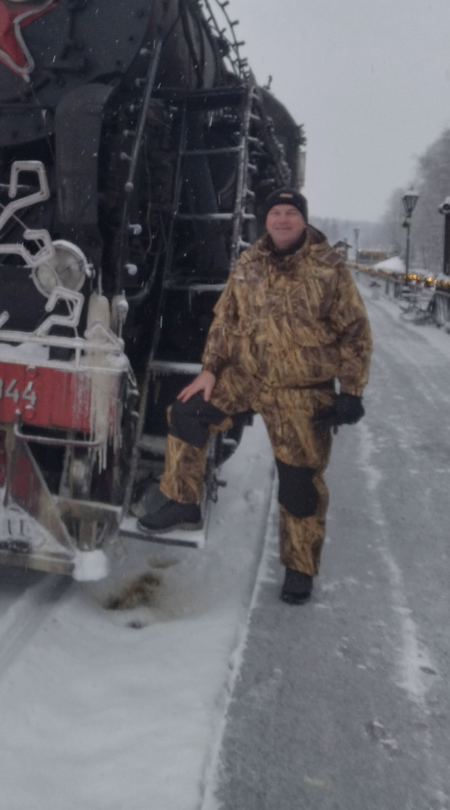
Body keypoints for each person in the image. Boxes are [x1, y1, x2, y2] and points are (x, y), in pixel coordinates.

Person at [138, 188, 373, 605]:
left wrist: (351, 392)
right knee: (188, 412)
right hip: (247, 378)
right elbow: (225, 320)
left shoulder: (329, 267)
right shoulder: (249, 262)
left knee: (299, 484)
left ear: (303, 219)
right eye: (275, 212)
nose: (282, 219)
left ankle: (299, 567)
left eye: (290, 212)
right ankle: (183, 501)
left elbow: (355, 332)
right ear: (265, 219)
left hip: (302, 389)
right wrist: (210, 370)